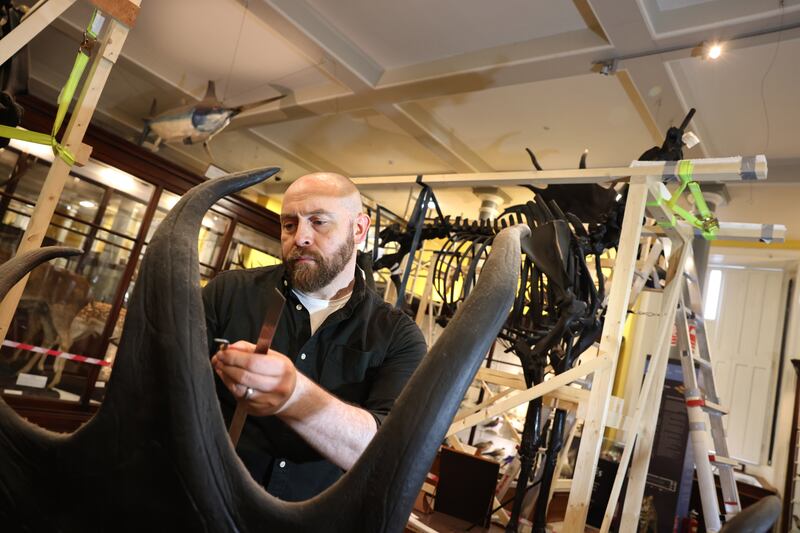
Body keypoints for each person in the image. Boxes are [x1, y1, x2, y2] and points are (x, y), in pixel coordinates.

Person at [203, 172, 427, 501]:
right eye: (289, 224)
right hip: (209, 500)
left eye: (319, 222)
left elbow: (387, 453)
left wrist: (295, 395)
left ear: (359, 229)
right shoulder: (229, 292)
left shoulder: (399, 337)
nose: (301, 237)